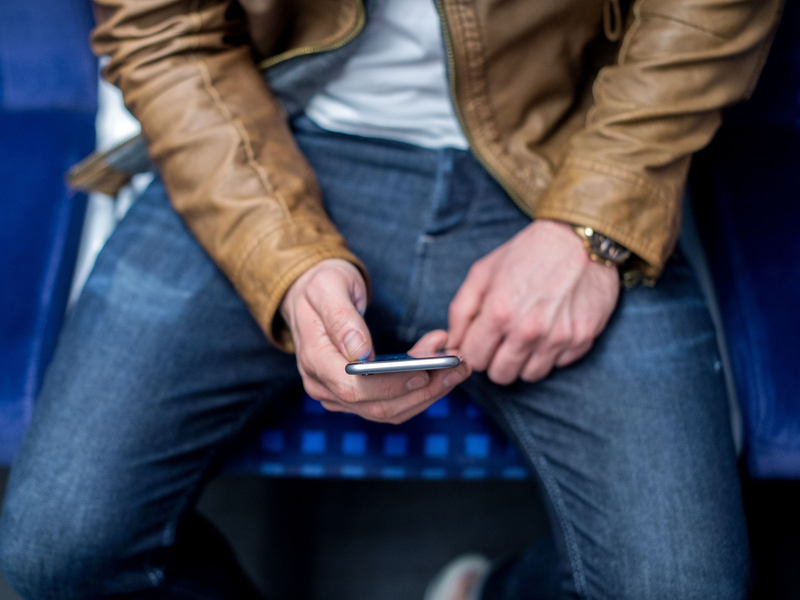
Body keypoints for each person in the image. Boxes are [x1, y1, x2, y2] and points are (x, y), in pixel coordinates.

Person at [0, 0, 782, 598]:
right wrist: (285, 258)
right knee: (57, 552)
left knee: (682, 586)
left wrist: (591, 226)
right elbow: (164, 31)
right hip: (257, 143)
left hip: (570, 151)